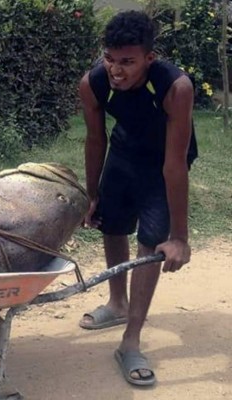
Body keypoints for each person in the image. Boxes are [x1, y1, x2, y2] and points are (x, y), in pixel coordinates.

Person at [78, 10, 197, 386]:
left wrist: (179, 236)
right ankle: (117, 303)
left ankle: (130, 339)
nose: (116, 70)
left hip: (165, 159)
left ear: (149, 57)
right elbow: (96, 139)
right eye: (110, 59)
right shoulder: (94, 82)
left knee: (151, 240)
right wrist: (92, 194)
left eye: (128, 62)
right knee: (111, 223)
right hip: (125, 153)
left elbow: (174, 165)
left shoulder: (176, 87)